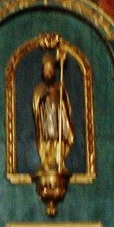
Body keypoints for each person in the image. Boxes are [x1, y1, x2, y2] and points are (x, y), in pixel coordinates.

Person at [32, 48, 74, 176]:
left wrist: (61, 97)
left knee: (57, 141)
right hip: (45, 122)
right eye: (47, 70)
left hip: (57, 121)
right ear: (43, 72)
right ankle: (46, 162)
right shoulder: (39, 89)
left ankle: (59, 161)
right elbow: (36, 104)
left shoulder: (59, 87)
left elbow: (67, 107)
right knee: (47, 141)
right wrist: (44, 95)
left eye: (51, 70)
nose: (49, 73)